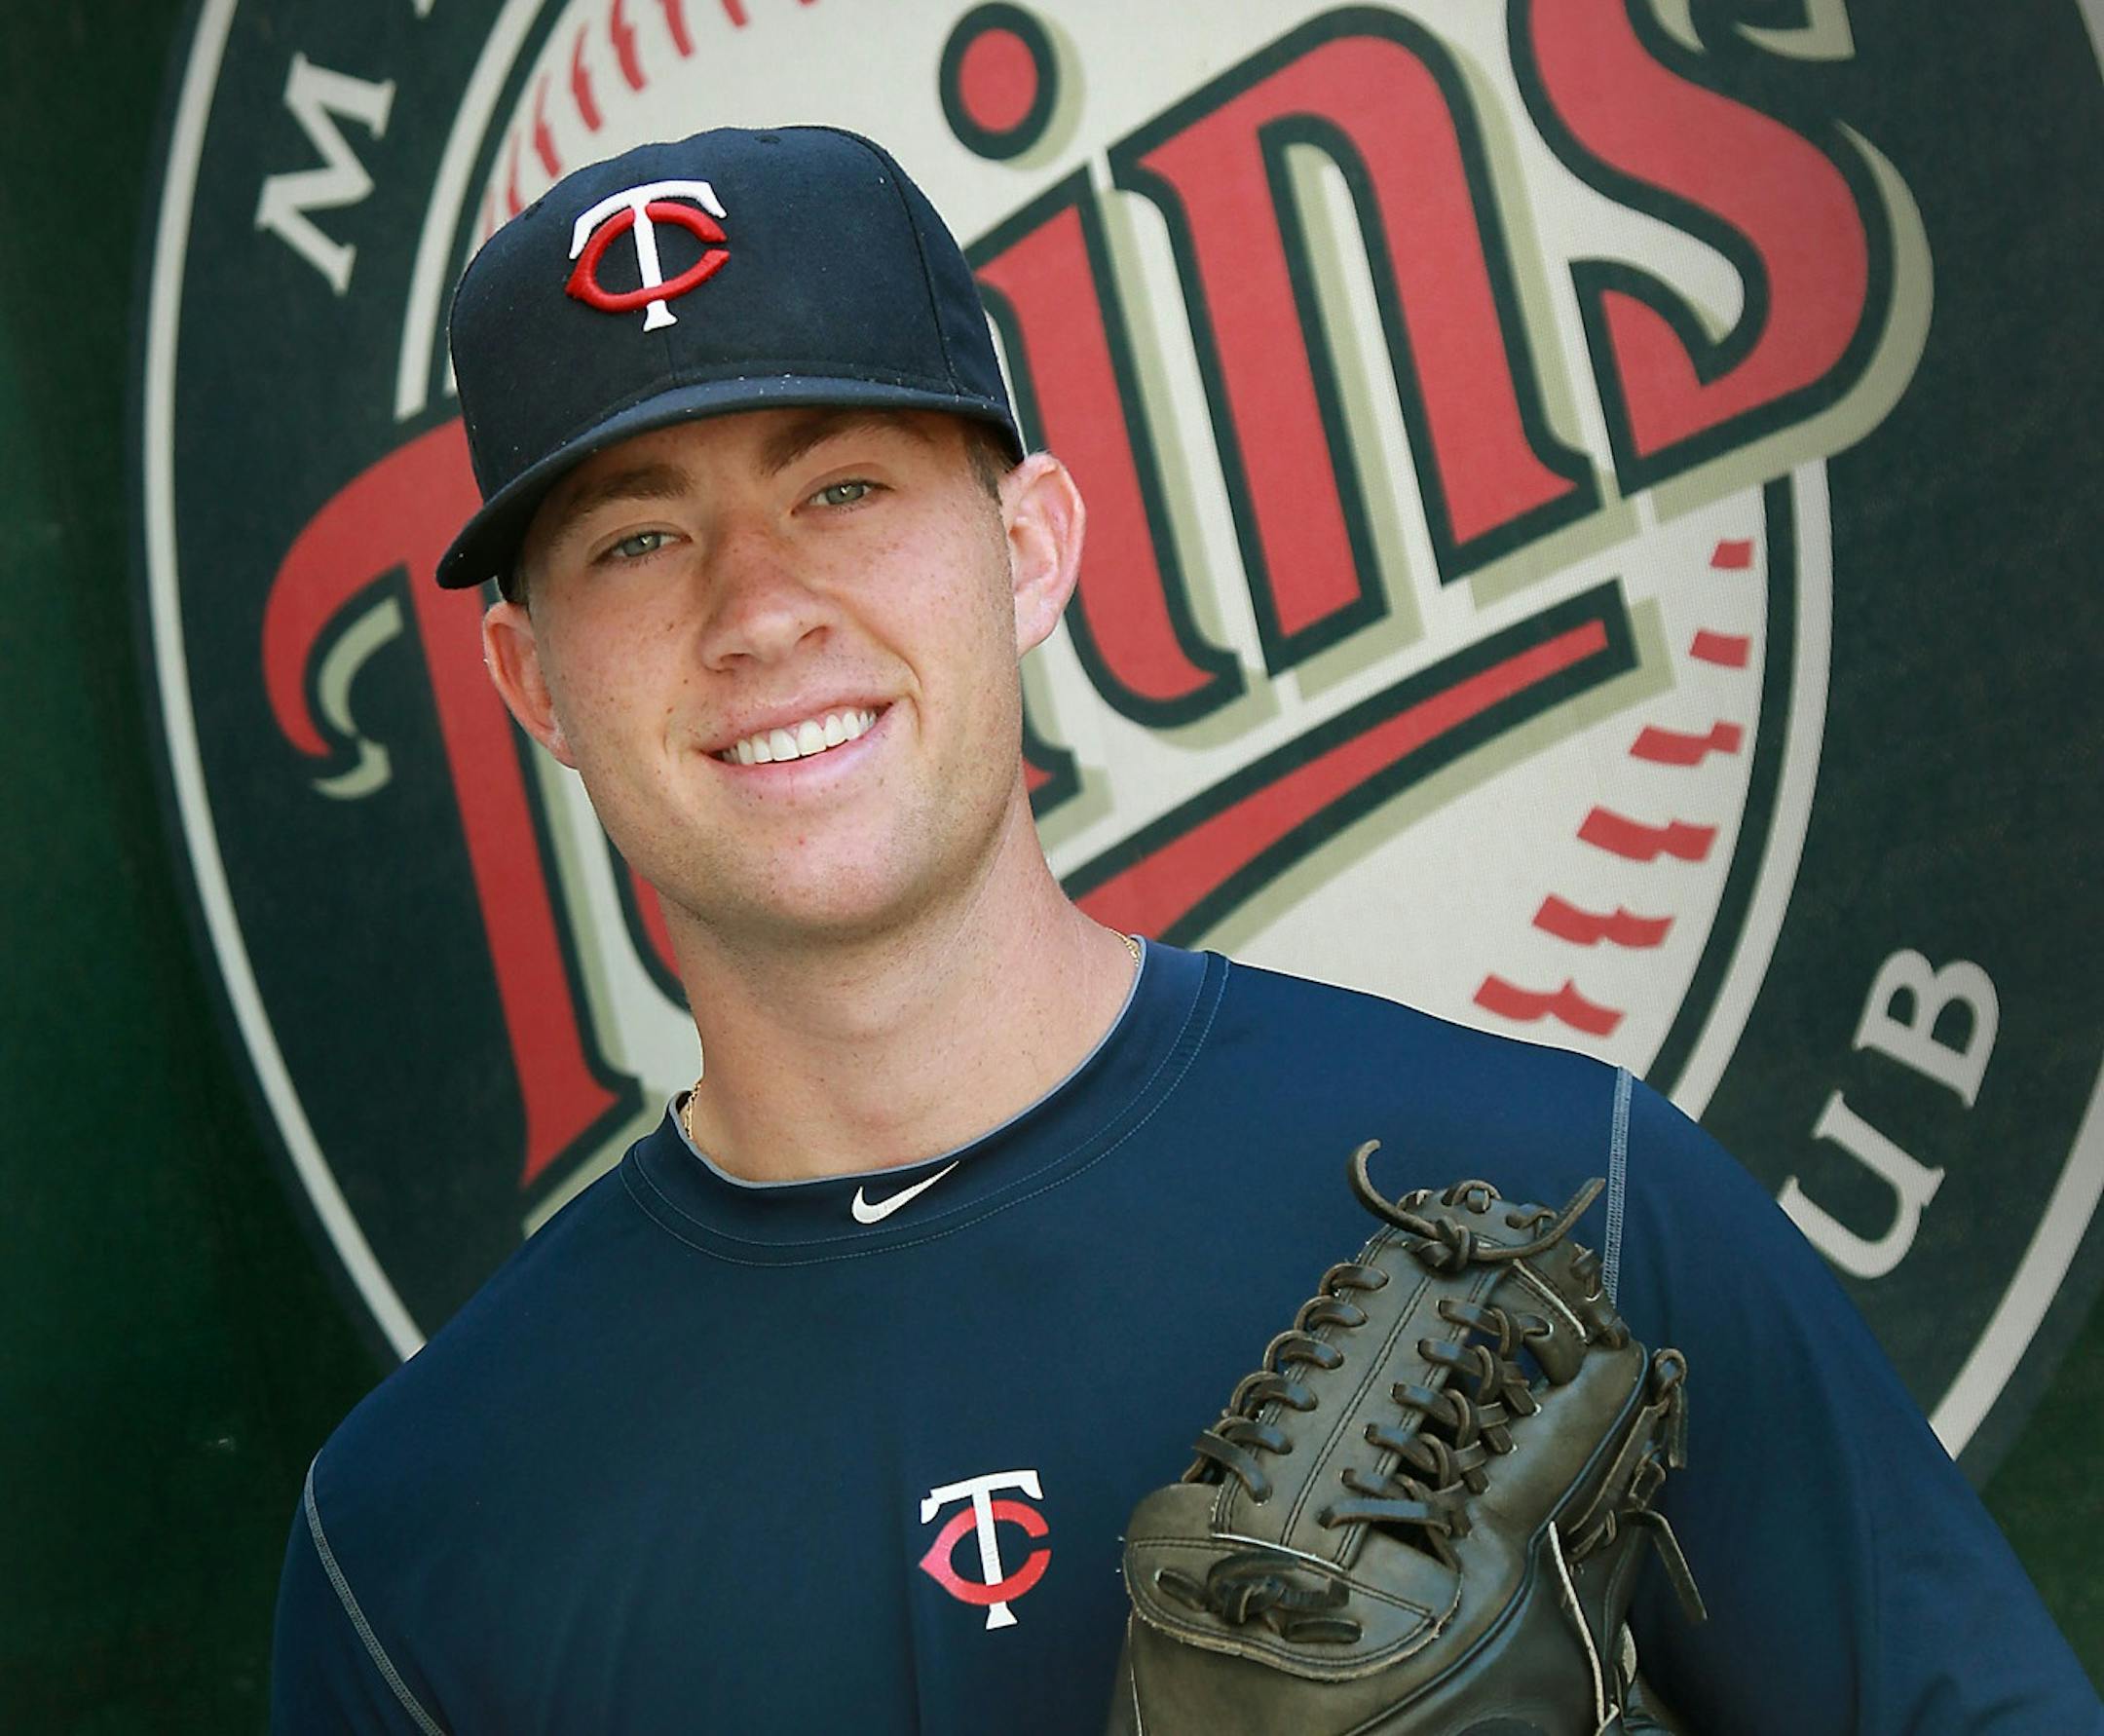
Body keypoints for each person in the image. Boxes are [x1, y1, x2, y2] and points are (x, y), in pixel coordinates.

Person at [269, 125, 2100, 1734]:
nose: (761, 607)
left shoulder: (1569, 1210)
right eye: (636, 540)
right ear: (531, 679)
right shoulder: (421, 1534)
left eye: (843, 488)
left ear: (1032, 546)